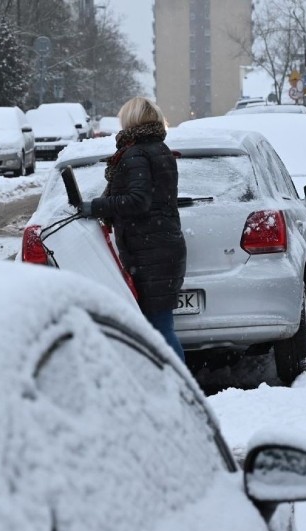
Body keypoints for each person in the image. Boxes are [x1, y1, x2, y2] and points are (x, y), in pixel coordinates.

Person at [79, 96, 187, 361]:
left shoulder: (137, 153)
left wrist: (96, 206)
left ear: (131, 120)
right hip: (161, 246)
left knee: (158, 328)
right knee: (158, 326)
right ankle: (172, 385)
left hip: (150, 251)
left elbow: (138, 200)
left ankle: (180, 387)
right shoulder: (159, 149)